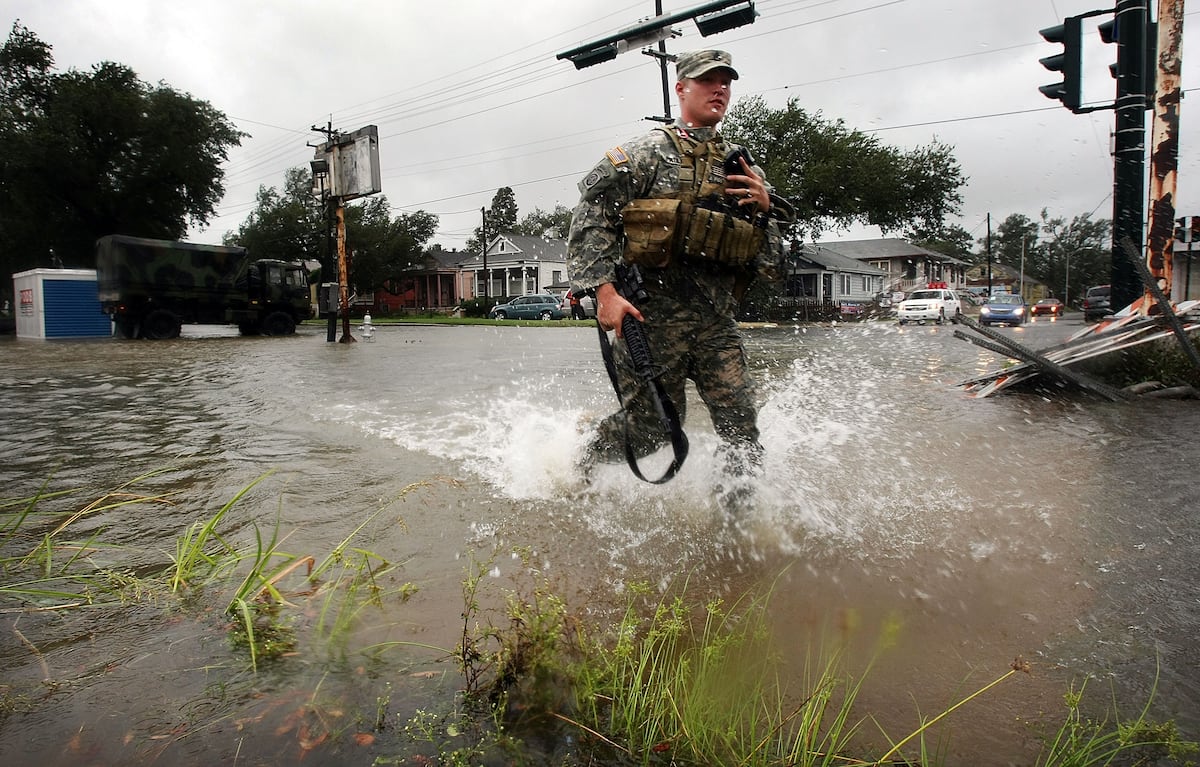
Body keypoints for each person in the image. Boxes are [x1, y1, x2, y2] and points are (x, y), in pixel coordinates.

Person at [566, 49, 793, 510]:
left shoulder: (742, 169)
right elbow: (591, 220)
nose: (719, 88)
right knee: (652, 433)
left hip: (716, 326)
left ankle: (738, 534)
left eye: (726, 81)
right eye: (707, 80)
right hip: (650, 320)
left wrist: (767, 212)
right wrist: (604, 294)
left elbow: (770, 266)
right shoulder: (645, 155)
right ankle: (579, 465)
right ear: (681, 88)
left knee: (741, 430)